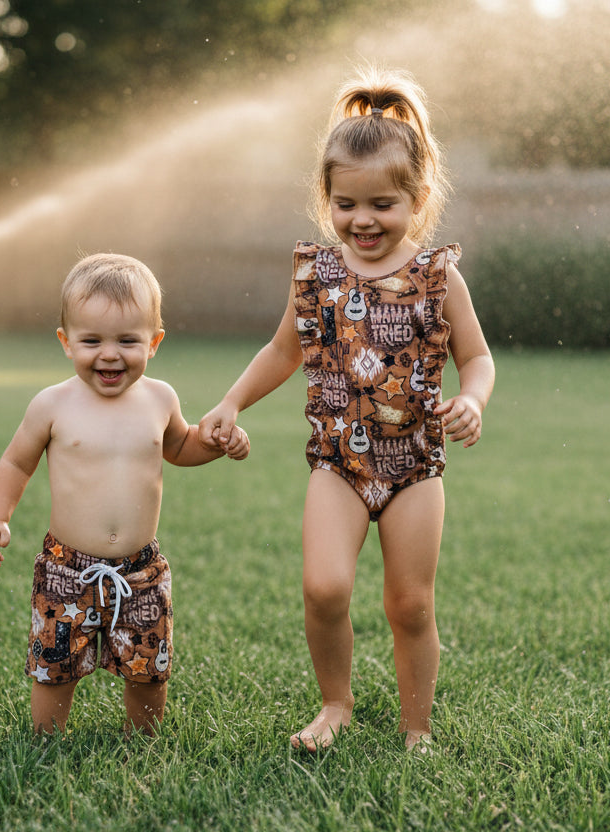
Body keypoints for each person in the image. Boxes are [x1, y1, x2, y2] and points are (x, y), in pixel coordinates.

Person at [199, 67, 494, 751]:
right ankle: (335, 705)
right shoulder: (316, 275)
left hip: (413, 469)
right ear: (326, 198)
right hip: (338, 462)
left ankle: (416, 728)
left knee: (410, 604)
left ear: (418, 200)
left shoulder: (437, 276)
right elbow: (282, 351)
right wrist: (232, 400)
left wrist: (472, 399)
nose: (363, 220)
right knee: (325, 588)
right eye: (347, 204)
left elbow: (476, 357)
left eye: (383, 204)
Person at [0, 252, 250, 736]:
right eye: (91, 340)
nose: (109, 354)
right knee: (55, 666)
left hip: (140, 570)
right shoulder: (52, 405)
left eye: (127, 341)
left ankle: (141, 739)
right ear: (65, 342)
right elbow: (16, 462)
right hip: (66, 569)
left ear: (154, 342)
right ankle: (46, 739)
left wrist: (216, 445)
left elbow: (180, 447)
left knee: (147, 667)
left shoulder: (160, 399)